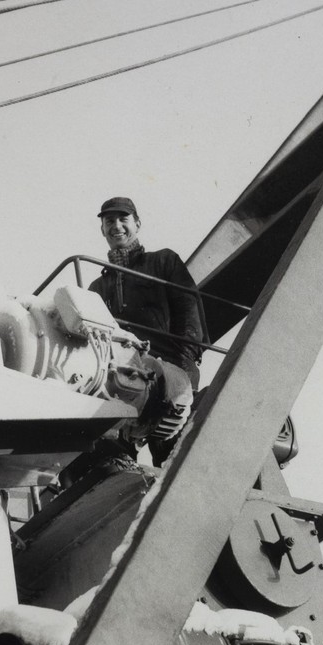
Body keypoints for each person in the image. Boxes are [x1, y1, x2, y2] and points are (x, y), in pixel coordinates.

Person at [89, 196, 204, 465]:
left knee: (173, 461)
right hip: (124, 382)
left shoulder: (163, 262)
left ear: (137, 223)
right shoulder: (96, 288)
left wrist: (183, 372)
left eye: (123, 219)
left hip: (168, 375)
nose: (116, 226)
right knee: (109, 465)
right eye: (109, 221)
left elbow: (189, 313)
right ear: (103, 229)